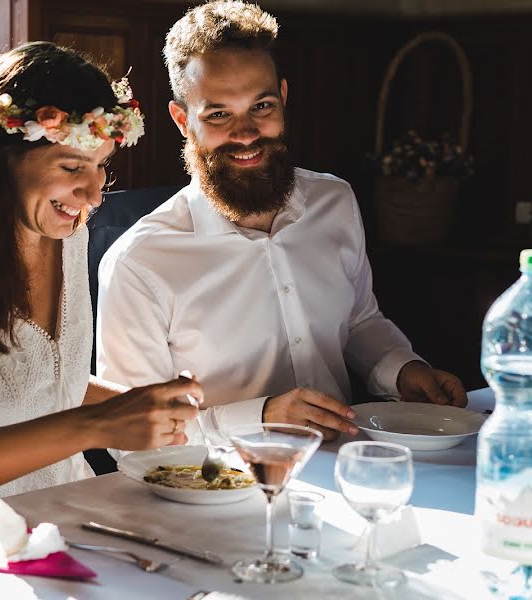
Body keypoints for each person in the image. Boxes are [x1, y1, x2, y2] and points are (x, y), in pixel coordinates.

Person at [95, 1, 465, 445]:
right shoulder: (140, 261)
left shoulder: (336, 201)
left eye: (261, 106)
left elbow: (359, 320)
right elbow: (133, 433)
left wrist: (403, 370)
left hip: (345, 462)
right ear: (182, 121)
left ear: (283, 99)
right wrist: (262, 416)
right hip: (216, 495)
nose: (246, 132)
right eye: (218, 114)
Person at [0, 42, 200, 516]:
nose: (93, 195)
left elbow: (47, 380)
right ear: (2, 159)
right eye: (71, 167)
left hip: (76, 512)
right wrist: (95, 426)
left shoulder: (69, 239)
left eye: (101, 166)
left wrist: (140, 406)